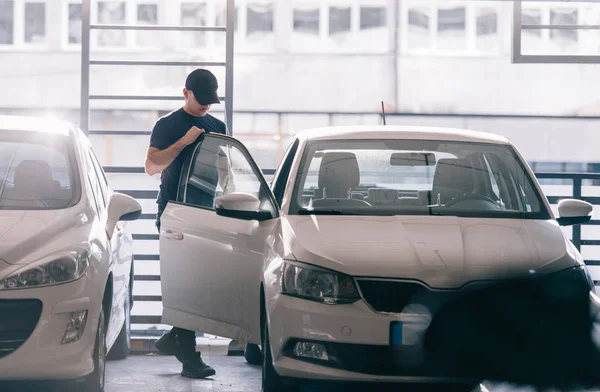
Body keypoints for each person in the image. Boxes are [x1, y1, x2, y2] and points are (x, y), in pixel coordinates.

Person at [144, 68, 227, 379]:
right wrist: (184, 141)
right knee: (185, 282)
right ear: (185, 93)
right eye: (201, 100)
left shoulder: (217, 126)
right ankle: (189, 356)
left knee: (198, 284)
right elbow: (151, 166)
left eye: (210, 101)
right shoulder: (167, 125)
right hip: (173, 214)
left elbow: (224, 171)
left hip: (206, 215)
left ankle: (174, 338)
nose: (206, 106)